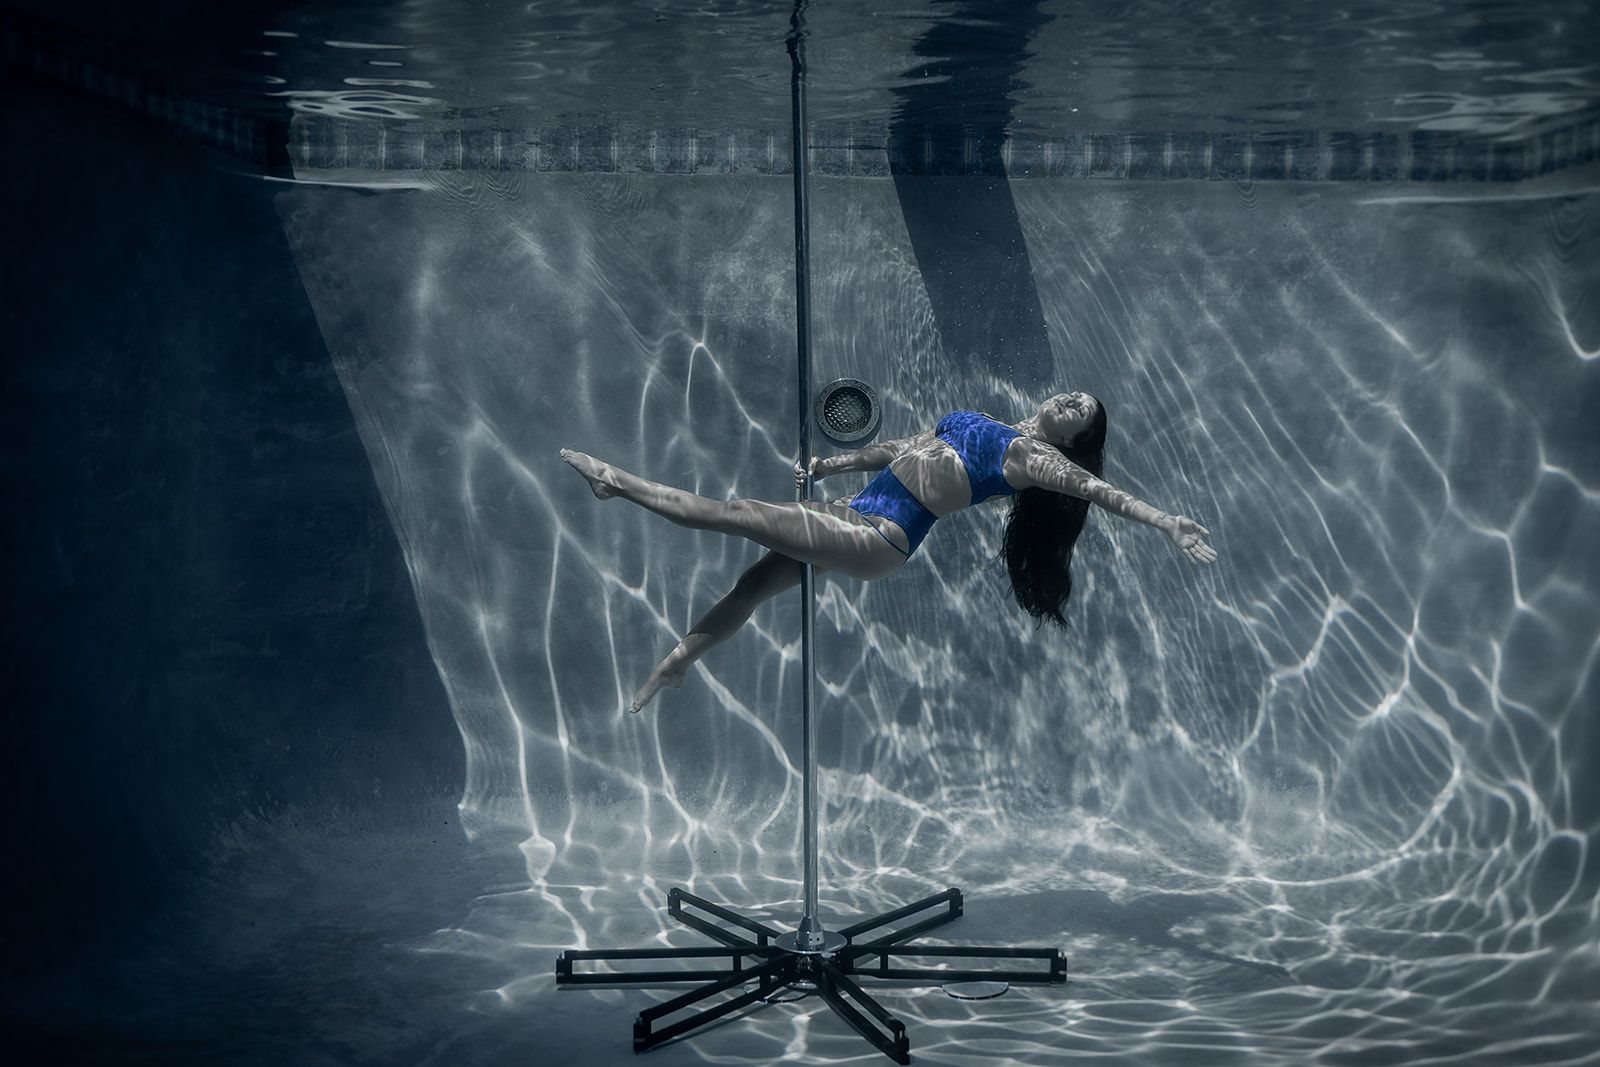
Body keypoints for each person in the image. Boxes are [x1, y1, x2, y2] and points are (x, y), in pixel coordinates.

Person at [560, 391, 1215, 712]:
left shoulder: (1033, 459)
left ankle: (616, 484)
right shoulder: (981, 422)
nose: (1070, 401)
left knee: (738, 516)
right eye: (1075, 394)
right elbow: (903, 447)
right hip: (858, 512)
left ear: (1072, 436)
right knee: (754, 584)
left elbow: (1098, 490)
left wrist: (1165, 522)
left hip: (881, 538)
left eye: (1081, 412)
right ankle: (681, 661)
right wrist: (830, 462)